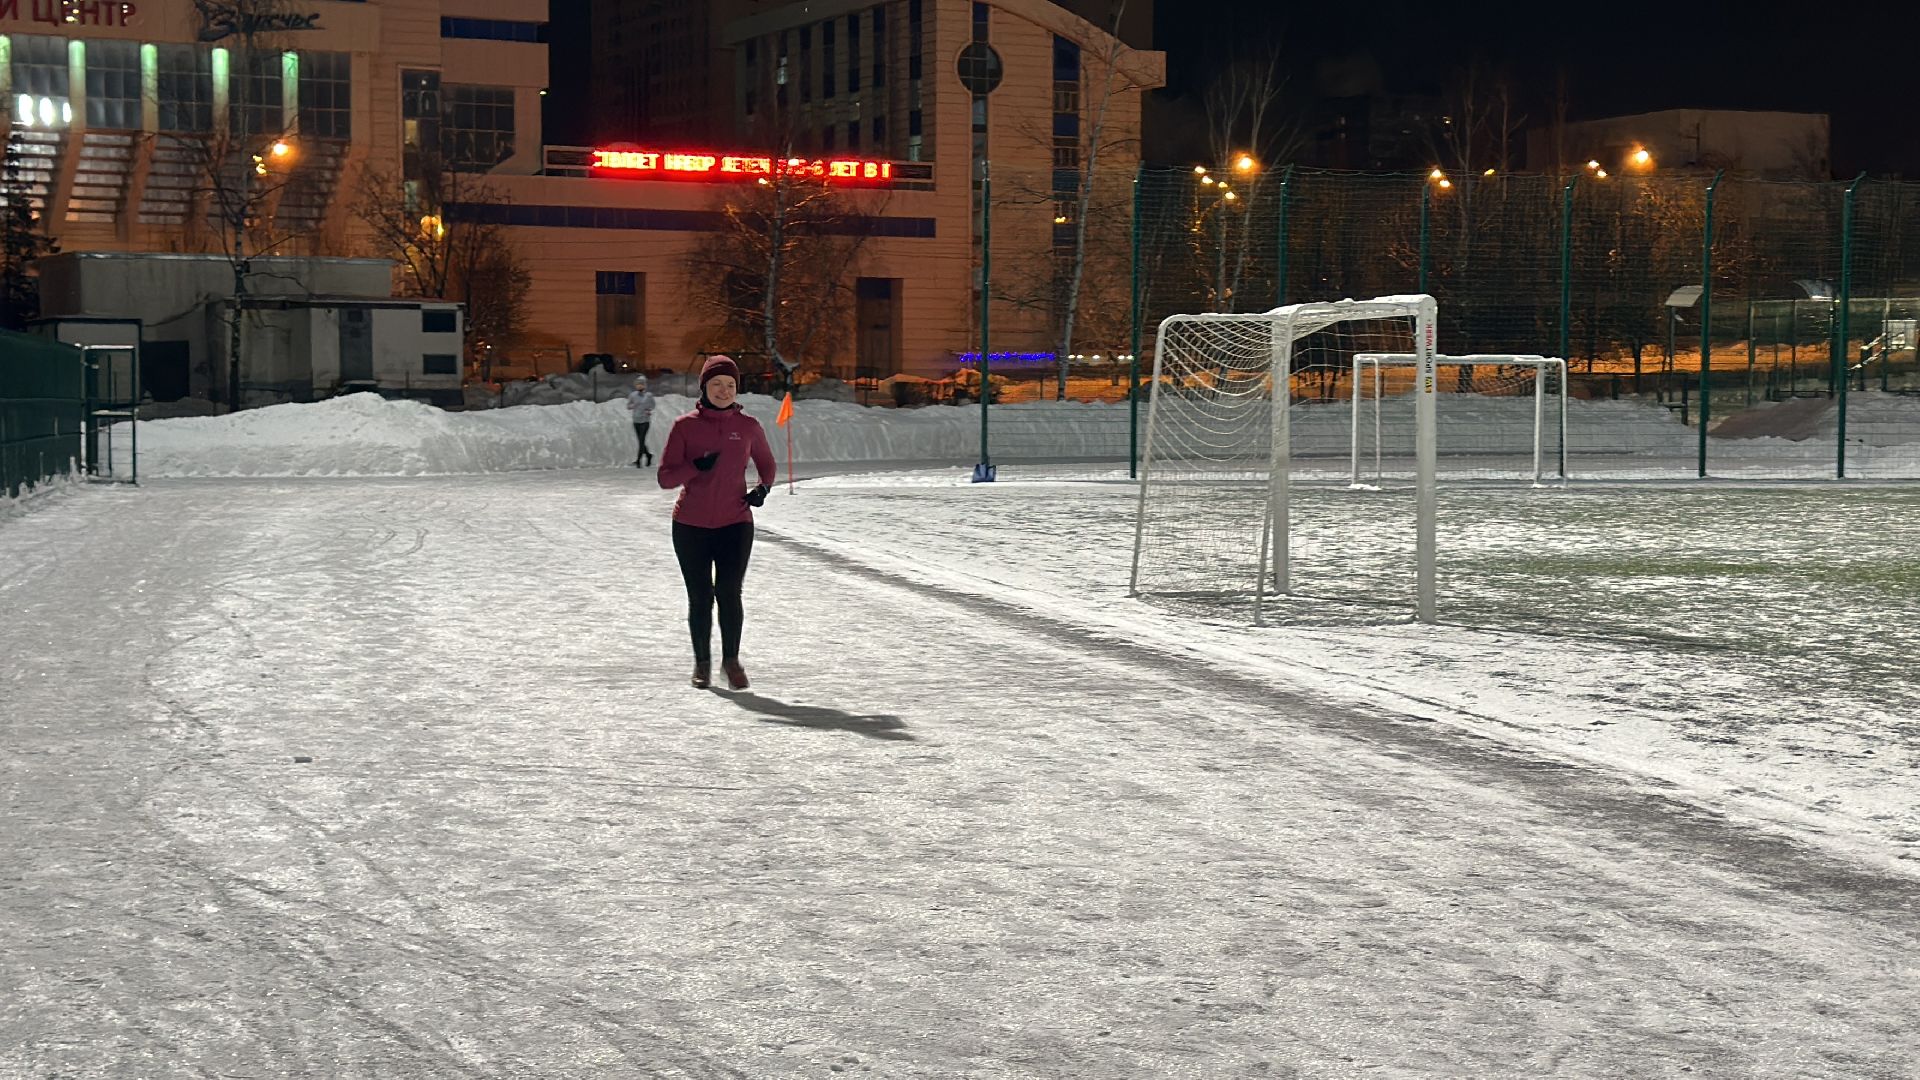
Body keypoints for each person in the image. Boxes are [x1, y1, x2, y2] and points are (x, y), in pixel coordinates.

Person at [657, 355, 775, 690]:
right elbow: (665, 478)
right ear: (704, 387)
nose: (724, 390)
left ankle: (731, 661)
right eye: (717, 384)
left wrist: (762, 489)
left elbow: (767, 464)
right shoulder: (685, 426)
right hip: (690, 525)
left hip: (735, 523)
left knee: (729, 592)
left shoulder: (748, 426)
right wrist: (695, 466)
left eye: (730, 385)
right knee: (700, 596)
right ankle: (702, 663)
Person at [626, 375, 656, 467]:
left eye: (641, 384)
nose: (639, 386)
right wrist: (633, 406)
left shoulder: (649, 395)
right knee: (640, 441)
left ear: (645, 385)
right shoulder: (633, 395)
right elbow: (628, 406)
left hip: (645, 421)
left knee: (642, 440)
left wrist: (648, 410)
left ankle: (638, 460)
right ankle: (648, 455)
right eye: (638, 384)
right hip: (636, 420)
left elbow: (653, 405)